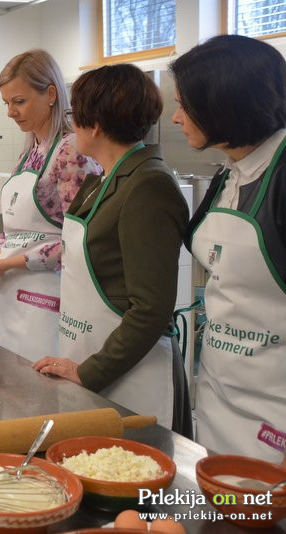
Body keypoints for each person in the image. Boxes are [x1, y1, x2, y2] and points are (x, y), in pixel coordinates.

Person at [32, 65, 192, 437]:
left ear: (97, 124)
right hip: (91, 353)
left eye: (76, 116)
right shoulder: (104, 178)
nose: (72, 127)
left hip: (133, 374)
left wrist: (90, 371)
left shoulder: (149, 185)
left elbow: (151, 309)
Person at [171, 35, 286, 461]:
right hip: (221, 400)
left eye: (185, 103)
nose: (176, 116)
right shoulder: (229, 175)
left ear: (224, 103)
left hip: (275, 420)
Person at [0, 50, 101, 361]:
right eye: (7, 103)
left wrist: (3, 265)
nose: (11, 112)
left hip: (48, 300)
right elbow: (14, 231)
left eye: (19, 101)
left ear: (51, 94)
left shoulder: (71, 152)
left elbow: (76, 242)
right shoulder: (30, 151)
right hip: (12, 297)